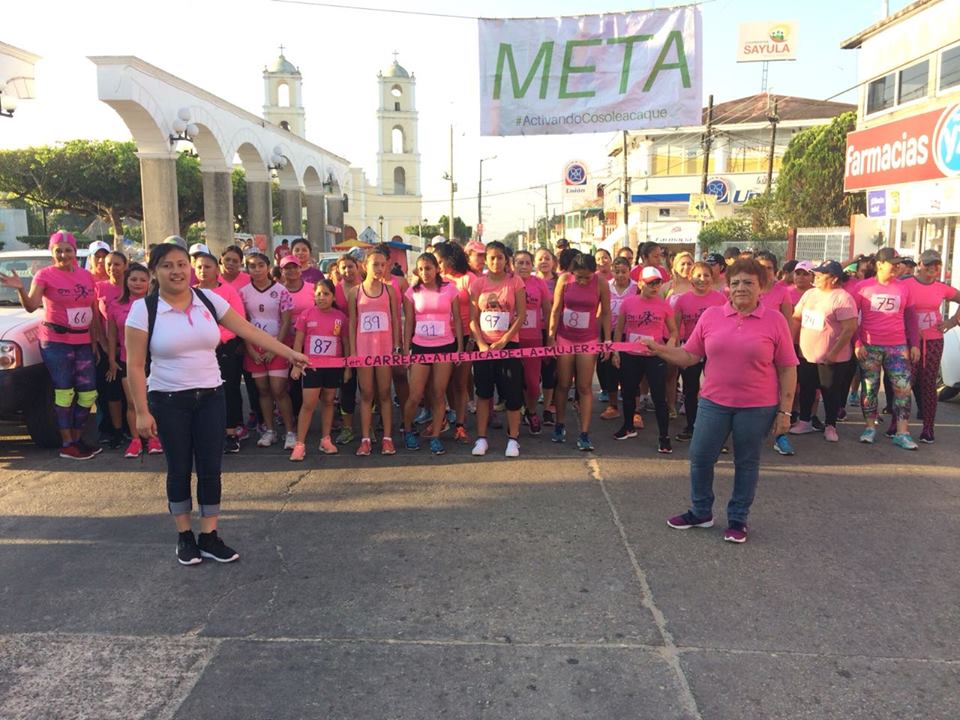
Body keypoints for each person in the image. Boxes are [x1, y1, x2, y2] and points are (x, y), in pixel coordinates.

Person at [125, 242, 308, 565]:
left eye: (182, 264)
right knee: (179, 469)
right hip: (168, 400)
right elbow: (136, 365)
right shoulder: (144, 309)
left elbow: (247, 329)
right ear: (155, 271)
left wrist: (290, 353)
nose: (176, 271)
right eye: (167, 265)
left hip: (211, 396)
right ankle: (185, 536)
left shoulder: (208, 300)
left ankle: (209, 536)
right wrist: (141, 411)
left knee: (211, 469)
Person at [647, 258, 798, 544]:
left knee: (746, 462)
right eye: (736, 282)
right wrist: (658, 349)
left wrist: (785, 412)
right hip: (713, 402)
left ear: (762, 287)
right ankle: (701, 512)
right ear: (727, 286)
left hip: (757, 406)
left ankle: (738, 519)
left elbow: (788, 368)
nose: (741, 288)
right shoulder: (711, 316)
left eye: (749, 283)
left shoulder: (775, 321)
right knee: (700, 457)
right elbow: (689, 355)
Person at [0, 231, 101, 459]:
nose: (64, 255)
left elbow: (93, 310)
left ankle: (78, 438)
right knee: (64, 391)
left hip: (82, 341)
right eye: (58, 250)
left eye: (68, 250)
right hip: (56, 342)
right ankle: (68, 443)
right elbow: (31, 306)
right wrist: (20, 288)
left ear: (74, 251)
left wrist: (94, 340)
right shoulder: (44, 275)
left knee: (88, 393)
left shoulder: (86, 276)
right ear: (52, 252)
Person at [852, 247, 920, 449]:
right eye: (893, 263)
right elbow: (851, 318)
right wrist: (857, 343)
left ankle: (902, 432)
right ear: (880, 264)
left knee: (903, 389)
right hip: (870, 347)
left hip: (897, 347)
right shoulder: (862, 287)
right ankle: (869, 427)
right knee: (870, 388)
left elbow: (911, 318)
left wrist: (914, 344)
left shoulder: (904, 288)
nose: (897, 267)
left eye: (899, 264)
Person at [789, 260, 859, 443]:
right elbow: (796, 318)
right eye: (817, 274)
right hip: (807, 353)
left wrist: (834, 353)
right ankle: (805, 421)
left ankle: (830, 425)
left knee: (830, 391)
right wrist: (789, 343)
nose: (817, 277)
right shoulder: (810, 294)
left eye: (822, 274)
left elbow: (849, 329)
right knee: (806, 388)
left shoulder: (843, 298)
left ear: (834, 278)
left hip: (832, 357)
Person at [548, 252, 611, 451]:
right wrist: (551, 337)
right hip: (565, 337)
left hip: (588, 339)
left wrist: (607, 340)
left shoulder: (601, 283)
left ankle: (584, 433)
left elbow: (606, 312)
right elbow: (556, 309)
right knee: (563, 383)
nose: (583, 281)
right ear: (572, 272)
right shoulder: (564, 280)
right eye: (579, 277)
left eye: (587, 277)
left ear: (594, 272)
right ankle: (559, 424)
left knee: (584, 387)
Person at [401, 253, 463, 455]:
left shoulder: (450, 289)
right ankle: (407, 430)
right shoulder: (412, 292)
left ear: (437, 269)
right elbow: (408, 324)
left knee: (438, 393)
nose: (424, 272)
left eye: (428, 268)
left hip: (445, 345)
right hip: (420, 346)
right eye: (420, 269)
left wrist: (460, 347)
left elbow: (457, 320)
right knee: (415, 395)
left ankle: (436, 435)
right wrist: (406, 350)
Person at [612, 266, 678, 453]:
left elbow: (673, 331)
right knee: (628, 392)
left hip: (653, 356)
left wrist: (668, 348)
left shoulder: (664, 305)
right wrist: (616, 351)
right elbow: (619, 329)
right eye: (650, 283)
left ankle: (664, 436)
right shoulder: (628, 303)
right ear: (640, 284)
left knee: (658, 397)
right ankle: (628, 426)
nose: (655, 286)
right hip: (631, 355)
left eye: (658, 283)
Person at [469, 240, 526, 457]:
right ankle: (481, 438)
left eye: (500, 257)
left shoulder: (515, 282)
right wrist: (481, 344)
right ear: (486, 260)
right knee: (483, 393)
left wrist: (504, 340)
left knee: (512, 393)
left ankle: (513, 439)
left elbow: (521, 315)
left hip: (508, 344)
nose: (495, 262)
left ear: (506, 259)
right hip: (484, 347)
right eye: (491, 258)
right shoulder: (478, 284)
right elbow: (473, 320)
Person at [239, 252, 296, 449]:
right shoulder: (243, 292)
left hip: (277, 345)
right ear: (247, 269)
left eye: (260, 265)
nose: (257, 269)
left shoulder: (281, 291)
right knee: (263, 390)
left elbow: (286, 321)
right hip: (255, 347)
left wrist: (276, 348)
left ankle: (290, 432)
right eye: (252, 266)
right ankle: (270, 430)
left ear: (268, 267)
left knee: (279, 389)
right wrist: (250, 349)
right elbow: (242, 322)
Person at [348, 247, 401, 456]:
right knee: (367, 394)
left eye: (382, 265)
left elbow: (395, 320)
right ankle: (365, 439)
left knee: (385, 393)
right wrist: (353, 352)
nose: (379, 268)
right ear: (365, 266)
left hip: (384, 349)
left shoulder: (390, 291)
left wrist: (397, 346)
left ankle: (387, 438)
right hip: (364, 349)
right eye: (375, 264)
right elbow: (352, 322)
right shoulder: (355, 292)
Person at [904, 249, 960, 443]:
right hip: (908, 341)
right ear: (919, 264)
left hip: (934, 340)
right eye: (928, 264)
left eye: (936, 264)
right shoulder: (906, 284)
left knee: (928, 384)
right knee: (905, 383)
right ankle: (898, 425)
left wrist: (952, 321)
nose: (932, 268)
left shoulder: (941, 287)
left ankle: (928, 428)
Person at [289, 279, 349, 460]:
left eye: (326, 294)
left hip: (333, 366)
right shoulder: (306, 315)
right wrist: (296, 365)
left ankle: (325, 439)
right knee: (308, 404)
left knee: (329, 401)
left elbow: (345, 342)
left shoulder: (340, 317)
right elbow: (298, 341)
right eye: (318, 294)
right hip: (312, 367)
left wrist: (347, 367)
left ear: (333, 297)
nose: (321, 297)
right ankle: (300, 444)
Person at [194, 251, 246, 453]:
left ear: (217, 269)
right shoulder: (189, 292)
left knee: (228, 389)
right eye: (199, 267)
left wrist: (218, 338)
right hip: (198, 349)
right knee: (201, 391)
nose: (203, 270)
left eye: (207, 267)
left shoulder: (228, 291)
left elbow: (239, 321)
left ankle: (231, 432)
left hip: (225, 346)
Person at [105, 263, 158, 458]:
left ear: (149, 282)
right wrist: (111, 360)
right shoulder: (115, 305)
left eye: (143, 280)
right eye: (133, 279)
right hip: (127, 360)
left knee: (153, 401)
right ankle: (136, 440)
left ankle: (153, 438)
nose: (138, 283)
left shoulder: (156, 304)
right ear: (126, 281)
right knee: (132, 402)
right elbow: (112, 336)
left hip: (153, 359)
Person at [671, 261, 726, 441]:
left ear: (713, 277)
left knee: (715, 390)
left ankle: (716, 431)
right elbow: (675, 328)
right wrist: (676, 350)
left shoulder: (720, 299)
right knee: (690, 388)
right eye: (698, 275)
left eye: (706, 275)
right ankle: (691, 426)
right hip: (691, 349)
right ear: (690, 277)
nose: (702, 279)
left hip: (715, 351)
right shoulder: (682, 299)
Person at [435, 242, 475, 442]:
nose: (438, 265)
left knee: (460, 382)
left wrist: (472, 339)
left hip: (465, 336)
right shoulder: (438, 280)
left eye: (440, 261)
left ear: (450, 260)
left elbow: (476, 311)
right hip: (442, 337)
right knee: (443, 382)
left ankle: (460, 424)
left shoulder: (468, 279)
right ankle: (446, 416)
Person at [513, 249, 552, 435]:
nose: (524, 266)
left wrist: (550, 338)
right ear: (513, 265)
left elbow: (548, 311)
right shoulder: (509, 282)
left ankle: (531, 410)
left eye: (527, 263)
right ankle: (515, 415)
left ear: (532, 265)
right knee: (513, 381)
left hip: (533, 339)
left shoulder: (539, 283)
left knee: (533, 383)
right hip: (511, 339)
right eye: (520, 262)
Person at [95, 250, 129, 447]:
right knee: (110, 390)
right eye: (109, 264)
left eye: (117, 264)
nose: (112, 268)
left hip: (129, 348)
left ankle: (132, 429)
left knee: (130, 391)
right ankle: (114, 431)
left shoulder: (132, 286)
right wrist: (104, 346)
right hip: (106, 347)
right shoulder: (99, 287)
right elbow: (95, 321)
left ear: (125, 265)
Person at [279, 254, 316, 417]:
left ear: (300, 269)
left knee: (310, 376)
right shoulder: (278, 290)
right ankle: (294, 415)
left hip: (309, 340)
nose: (291, 270)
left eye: (294, 267)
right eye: (287, 268)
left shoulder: (312, 288)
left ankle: (308, 413)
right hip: (285, 341)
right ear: (281, 271)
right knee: (291, 380)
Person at [333, 254, 363, 444]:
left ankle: (369, 427)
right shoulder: (334, 289)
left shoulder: (366, 287)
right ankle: (348, 428)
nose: (347, 270)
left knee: (368, 386)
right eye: (343, 267)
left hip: (366, 340)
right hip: (342, 343)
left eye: (350, 266)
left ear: (358, 267)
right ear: (338, 270)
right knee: (346, 385)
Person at [535, 247, 560, 425]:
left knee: (549, 370)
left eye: (547, 258)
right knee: (530, 372)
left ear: (553, 262)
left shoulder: (560, 282)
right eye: (540, 259)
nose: (544, 261)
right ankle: (528, 409)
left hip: (553, 330)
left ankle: (547, 409)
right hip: (531, 331)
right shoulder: (526, 281)